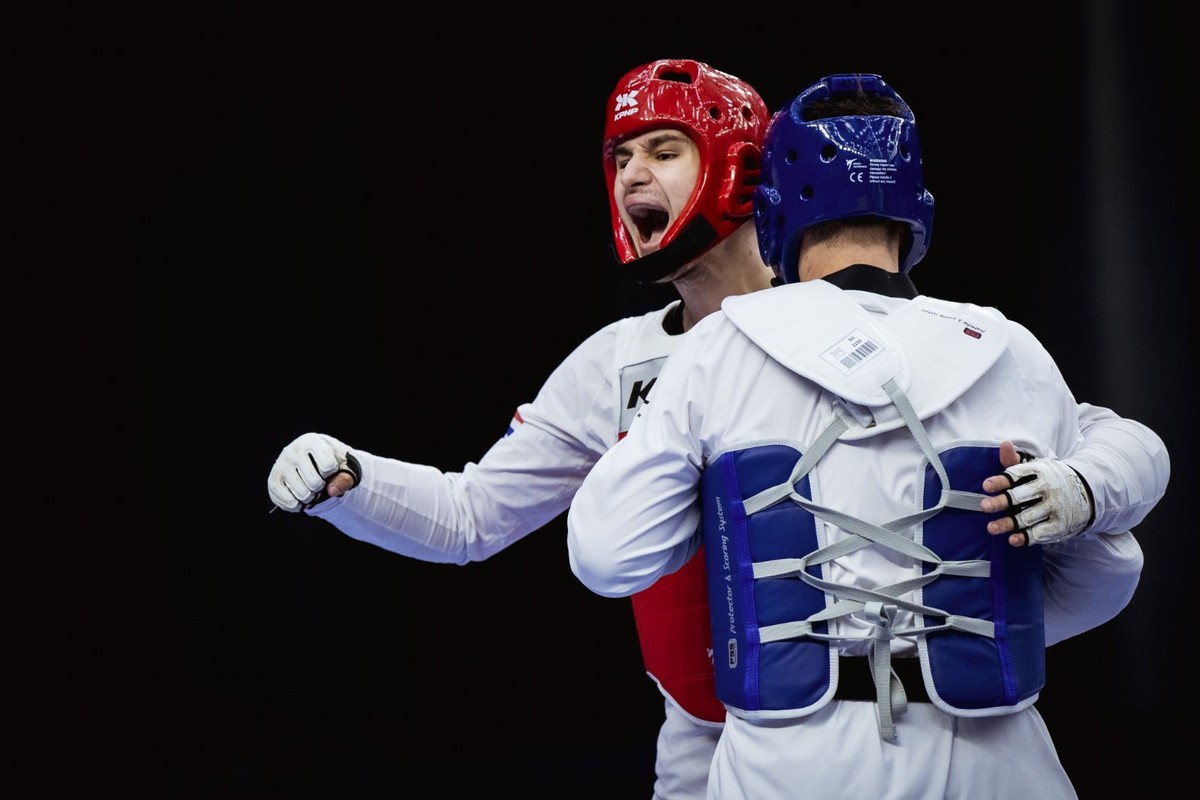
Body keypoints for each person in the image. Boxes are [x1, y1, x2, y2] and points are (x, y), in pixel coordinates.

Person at [566, 72, 1170, 799]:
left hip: (789, 763)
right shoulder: (1006, 349)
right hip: (993, 760)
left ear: (772, 211)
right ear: (916, 213)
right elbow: (1109, 568)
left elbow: (606, 555)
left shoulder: (717, 349)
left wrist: (712, 517)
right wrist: (997, 598)